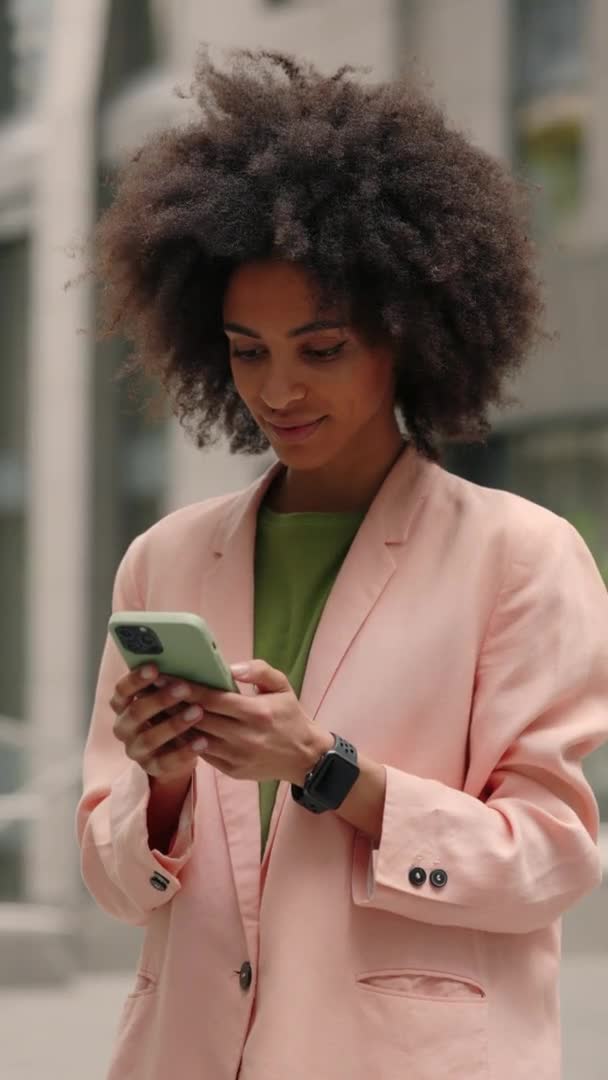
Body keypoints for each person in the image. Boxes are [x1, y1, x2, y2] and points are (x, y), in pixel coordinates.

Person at [75, 47, 608, 1080]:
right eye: (246, 348)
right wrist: (167, 784)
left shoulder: (518, 557)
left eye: (319, 349)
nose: (278, 390)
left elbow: (547, 858)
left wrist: (329, 772)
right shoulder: (166, 559)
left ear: (405, 336)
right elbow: (112, 879)